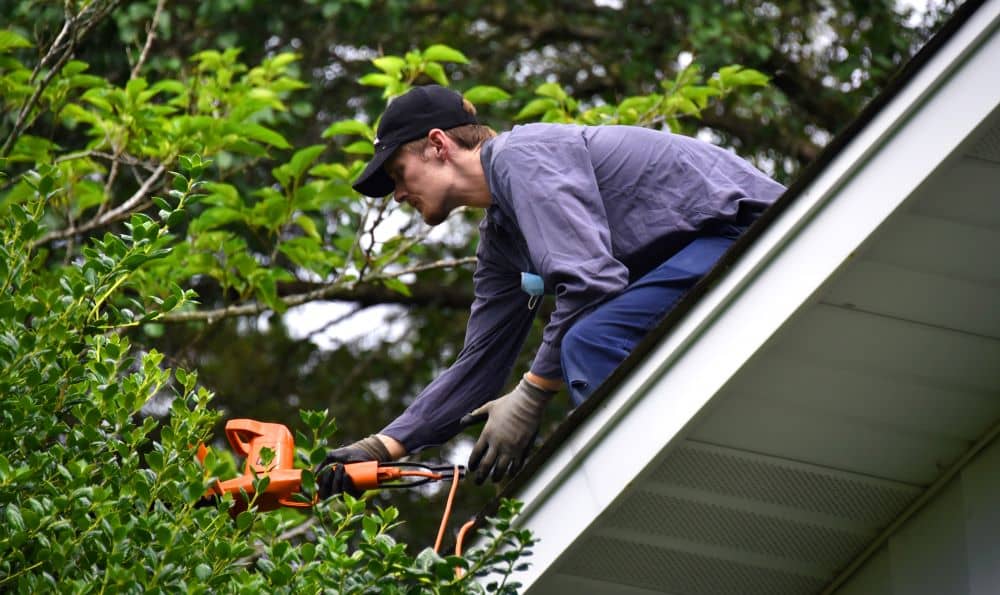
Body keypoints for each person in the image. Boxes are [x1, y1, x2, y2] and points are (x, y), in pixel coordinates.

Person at [316, 84, 784, 496]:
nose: (398, 194)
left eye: (398, 173)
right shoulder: (502, 239)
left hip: (752, 231)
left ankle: (657, 486)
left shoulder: (522, 156)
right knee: (593, 335)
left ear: (438, 145)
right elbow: (480, 361)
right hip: (695, 264)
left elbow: (590, 283)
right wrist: (381, 446)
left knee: (592, 338)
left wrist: (533, 392)